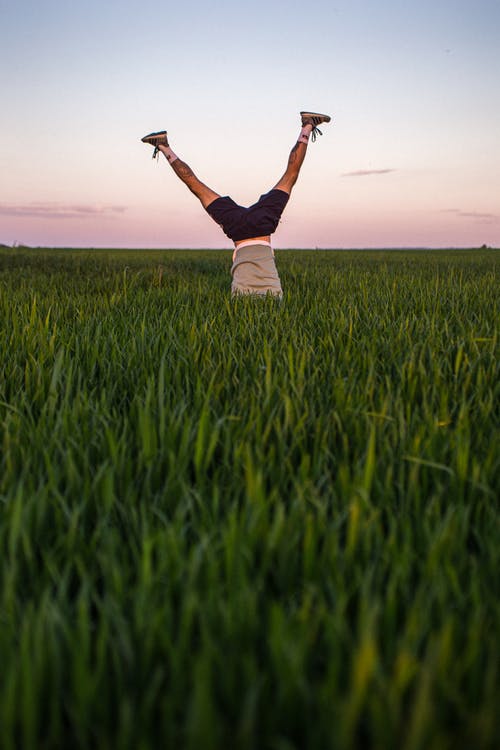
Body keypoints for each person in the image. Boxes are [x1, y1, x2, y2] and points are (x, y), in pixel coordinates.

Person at [141, 111, 331, 298]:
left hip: (261, 225)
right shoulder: (240, 301)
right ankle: (163, 146)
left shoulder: (275, 300)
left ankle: (307, 125)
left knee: (290, 176)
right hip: (238, 228)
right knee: (196, 187)